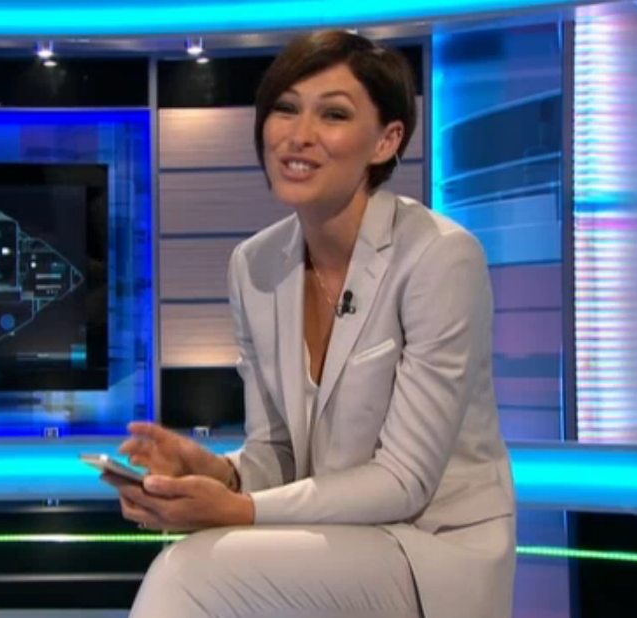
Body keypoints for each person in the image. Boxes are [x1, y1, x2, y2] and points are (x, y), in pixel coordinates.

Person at [103, 30, 516, 618]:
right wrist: (217, 473)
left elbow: (404, 482)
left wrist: (240, 511)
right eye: (286, 108)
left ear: (386, 140)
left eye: (334, 114)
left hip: (430, 550)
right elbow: (278, 455)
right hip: (334, 536)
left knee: (189, 573)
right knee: (196, 564)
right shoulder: (254, 265)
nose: (299, 136)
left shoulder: (440, 258)